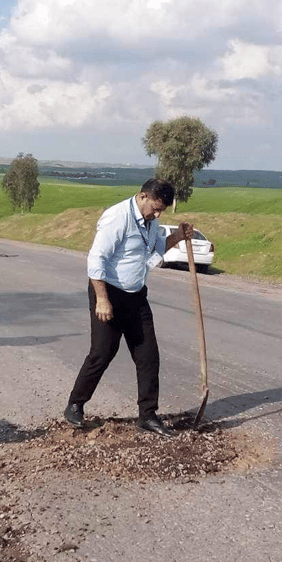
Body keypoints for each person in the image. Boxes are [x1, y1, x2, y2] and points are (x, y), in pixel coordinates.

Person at [64, 178, 194, 437]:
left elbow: (154, 250)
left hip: (136, 295)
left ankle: (147, 415)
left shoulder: (151, 221)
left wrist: (178, 236)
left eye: (161, 211)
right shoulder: (117, 217)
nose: (157, 215)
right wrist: (102, 299)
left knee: (148, 356)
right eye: (155, 208)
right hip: (108, 292)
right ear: (142, 196)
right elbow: (96, 258)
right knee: (102, 352)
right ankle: (75, 405)